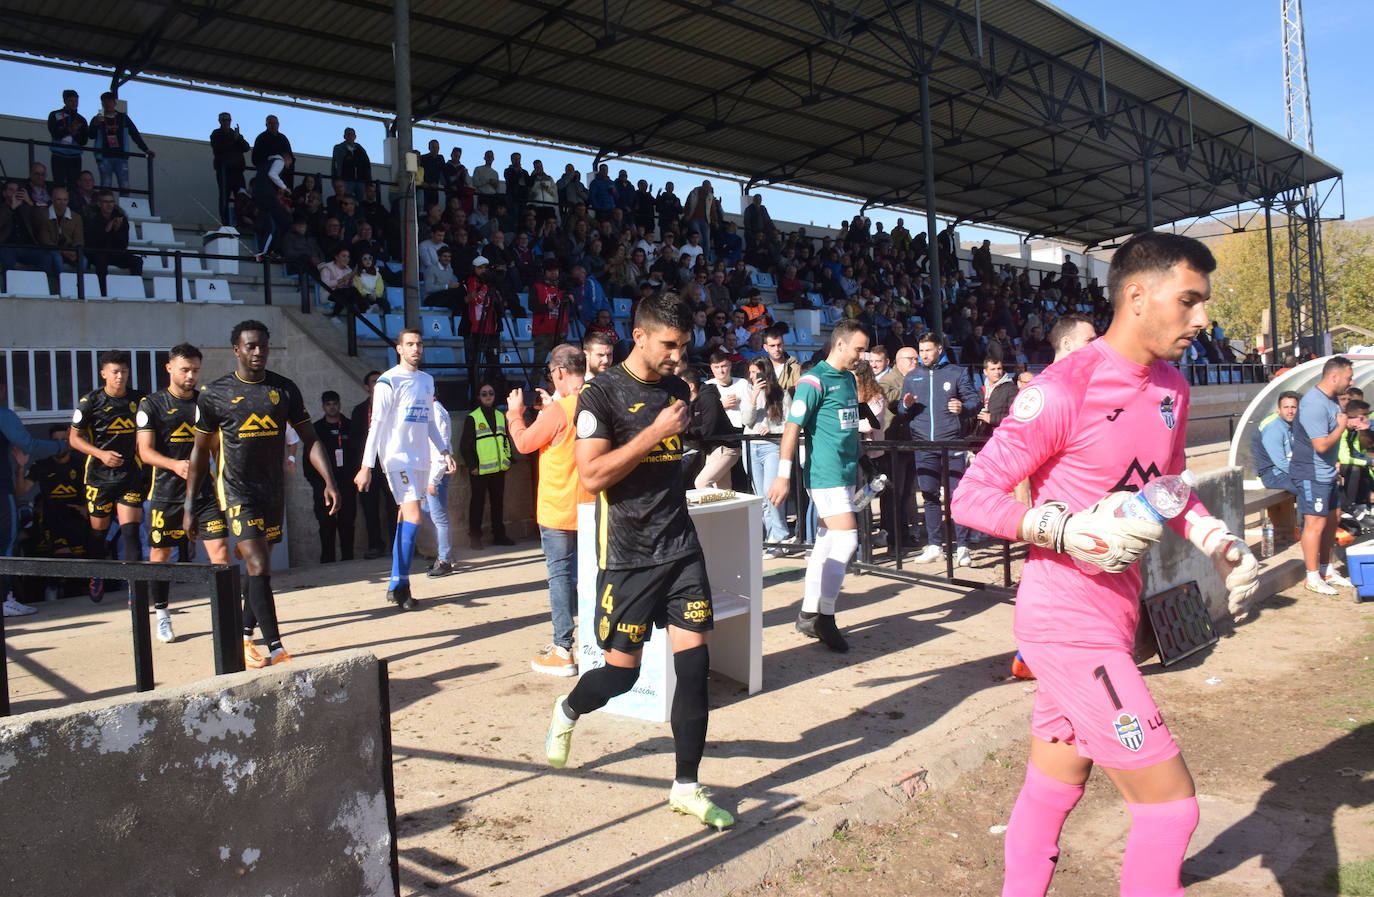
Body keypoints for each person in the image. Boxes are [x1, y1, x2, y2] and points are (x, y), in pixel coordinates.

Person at [950, 231, 1259, 897]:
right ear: (1139, 296)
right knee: (1170, 805)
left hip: (1113, 619)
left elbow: (1167, 486)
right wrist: (1059, 527)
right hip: (1065, 623)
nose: (1203, 319)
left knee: (1054, 783)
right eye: (1191, 301)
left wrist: (1215, 540)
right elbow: (970, 496)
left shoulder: (1172, 385)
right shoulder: (1064, 388)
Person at [543, 292, 734, 831]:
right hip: (628, 558)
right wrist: (654, 435)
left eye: (684, 345)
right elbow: (593, 476)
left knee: (693, 669)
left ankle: (687, 786)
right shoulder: (599, 395)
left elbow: (687, 444)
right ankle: (569, 710)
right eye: (670, 345)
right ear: (641, 337)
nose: (678, 355)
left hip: (680, 548)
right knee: (621, 677)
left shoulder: (678, 388)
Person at [187, 320, 338, 668]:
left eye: (263, 346)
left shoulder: (284, 390)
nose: (258, 352)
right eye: (250, 346)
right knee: (255, 562)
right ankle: (276, 648)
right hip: (237, 492)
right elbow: (198, 452)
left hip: (273, 493)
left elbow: (310, 438)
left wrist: (330, 481)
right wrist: (191, 503)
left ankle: (242, 637)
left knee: (261, 571)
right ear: (236, 350)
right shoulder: (214, 393)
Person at [765, 318, 870, 652]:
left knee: (826, 544)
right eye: (858, 349)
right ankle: (825, 615)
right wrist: (783, 474)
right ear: (840, 344)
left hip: (843, 472)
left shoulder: (849, 380)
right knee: (847, 541)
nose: (861, 356)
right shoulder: (813, 381)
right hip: (825, 475)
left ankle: (809, 611)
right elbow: (792, 428)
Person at [135, 344, 230, 644]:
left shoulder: (206, 402)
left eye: (195, 370)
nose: (190, 376)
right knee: (161, 556)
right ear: (170, 368)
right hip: (166, 493)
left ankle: (225, 615)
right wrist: (175, 464)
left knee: (221, 553)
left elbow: (216, 447)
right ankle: (162, 615)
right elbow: (145, 452)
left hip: (204, 493)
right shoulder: (151, 404)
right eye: (185, 370)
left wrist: (226, 479)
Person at [355, 330, 456, 610]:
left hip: (421, 459)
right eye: (410, 344)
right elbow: (376, 425)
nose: (416, 349)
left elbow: (431, 423)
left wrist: (444, 451)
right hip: (397, 459)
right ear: (399, 349)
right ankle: (403, 585)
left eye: (419, 344)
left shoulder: (426, 380)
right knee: (414, 518)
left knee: (403, 517)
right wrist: (366, 466)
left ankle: (394, 584)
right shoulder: (388, 381)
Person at [507, 344, 590, 675]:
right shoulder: (597, 400)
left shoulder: (558, 411)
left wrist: (514, 413)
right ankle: (594, 644)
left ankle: (562, 648)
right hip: (590, 504)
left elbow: (525, 443)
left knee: (559, 576)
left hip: (558, 507)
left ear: (558, 373)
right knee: (588, 578)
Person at [68, 350, 146, 602]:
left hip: (130, 474)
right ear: (103, 374)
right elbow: (74, 439)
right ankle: (96, 574)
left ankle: (136, 585)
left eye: (124, 371)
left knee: (131, 530)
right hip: (99, 477)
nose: (120, 376)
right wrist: (100, 454)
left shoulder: (138, 399)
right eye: (115, 372)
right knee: (98, 532)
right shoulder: (90, 402)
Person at [902, 333, 981, 566]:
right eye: (921, 350)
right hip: (924, 444)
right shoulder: (913, 376)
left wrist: (963, 407)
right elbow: (902, 409)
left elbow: (974, 402)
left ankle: (963, 546)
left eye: (928, 350)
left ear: (939, 349)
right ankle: (935, 545)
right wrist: (905, 406)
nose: (924, 355)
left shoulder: (956, 372)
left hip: (952, 444)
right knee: (929, 496)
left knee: (957, 497)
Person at [1290, 355, 1356, 596]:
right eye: (1348, 377)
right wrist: (1341, 427)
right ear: (1334, 376)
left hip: (1327, 472)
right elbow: (1320, 445)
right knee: (1315, 523)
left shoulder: (1331, 401)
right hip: (1311, 473)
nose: (1351, 382)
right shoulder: (1314, 403)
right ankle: (1312, 576)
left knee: (1332, 519)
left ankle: (1327, 570)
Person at [1, 384, 65, 616]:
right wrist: (66, 444)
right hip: (1, 491)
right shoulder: (3, 414)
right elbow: (29, 444)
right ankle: (5, 598)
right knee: (6, 545)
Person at [743, 357, 790, 553]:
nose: (754, 377)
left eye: (758, 373)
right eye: (751, 373)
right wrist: (754, 397)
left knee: (772, 495)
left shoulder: (782, 394)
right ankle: (773, 539)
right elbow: (746, 420)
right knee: (760, 497)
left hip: (772, 446)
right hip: (751, 446)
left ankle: (781, 536)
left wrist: (771, 427)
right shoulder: (748, 391)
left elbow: (789, 422)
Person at [459, 381, 514, 549]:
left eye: (491, 393)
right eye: (484, 393)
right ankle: (475, 538)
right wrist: (472, 465)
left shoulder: (500, 415)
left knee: (498, 503)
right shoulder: (473, 417)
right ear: (478, 397)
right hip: (480, 470)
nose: (488, 396)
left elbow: (505, 440)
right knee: (477, 503)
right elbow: (465, 445)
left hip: (498, 468)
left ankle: (499, 535)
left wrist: (508, 459)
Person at [306, 390, 357, 563]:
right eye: (328, 404)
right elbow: (308, 459)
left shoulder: (350, 426)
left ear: (339, 404)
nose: (332, 407)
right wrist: (318, 484)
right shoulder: (317, 429)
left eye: (335, 403)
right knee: (326, 524)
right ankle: (327, 560)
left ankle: (348, 559)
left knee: (347, 523)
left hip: (347, 484)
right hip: (324, 486)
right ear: (323, 406)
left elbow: (358, 455)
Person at [351, 371, 396, 560]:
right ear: (367, 388)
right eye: (373, 383)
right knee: (369, 507)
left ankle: (397, 545)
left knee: (394, 506)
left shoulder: (392, 408)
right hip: (368, 466)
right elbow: (354, 441)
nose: (377, 386)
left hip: (389, 463)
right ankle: (375, 545)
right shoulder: (359, 411)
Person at [88, 92, 153, 193]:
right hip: (104, 156)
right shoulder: (98, 118)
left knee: (125, 185)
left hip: (121, 156)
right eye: (104, 102)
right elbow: (91, 135)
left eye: (110, 101)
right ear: (102, 104)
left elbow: (135, 134)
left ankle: (125, 207)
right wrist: (95, 124)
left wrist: (146, 149)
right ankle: (105, 206)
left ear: (114, 103)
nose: (107, 104)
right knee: (106, 184)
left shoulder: (123, 118)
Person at [424, 398, 456, 578]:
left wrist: (433, 479)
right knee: (427, 511)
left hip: (436, 472)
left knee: (438, 517)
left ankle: (445, 559)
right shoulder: (432, 409)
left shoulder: (435, 410)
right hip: (432, 471)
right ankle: (445, 553)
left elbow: (440, 446)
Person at [1252, 390, 1300, 495]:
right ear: (1279, 410)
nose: (1290, 411)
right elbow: (1281, 463)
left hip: (1286, 473)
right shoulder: (1274, 429)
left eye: (1293, 407)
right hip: (1273, 475)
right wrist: (1303, 474)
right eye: (1286, 407)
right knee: (1309, 490)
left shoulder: (1294, 426)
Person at [210, 112, 250, 224]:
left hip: (238, 170)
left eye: (228, 119)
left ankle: (241, 220)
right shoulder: (216, 134)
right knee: (224, 196)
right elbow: (218, 148)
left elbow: (246, 147)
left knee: (242, 196)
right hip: (224, 170)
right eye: (223, 120)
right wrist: (234, 139)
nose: (226, 122)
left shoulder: (235, 134)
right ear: (219, 121)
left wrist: (238, 138)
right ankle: (225, 222)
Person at [47, 89, 88, 192]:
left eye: (76, 101)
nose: (74, 103)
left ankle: (72, 207)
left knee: (73, 186)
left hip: (75, 157)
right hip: (58, 155)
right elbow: (54, 132)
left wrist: (75, 134)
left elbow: (84, 141)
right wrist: (69, 130)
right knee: (58, 184)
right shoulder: (55, 115)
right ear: (65, 101)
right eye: (71, 101)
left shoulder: (81, 119)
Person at [1338, 399, 1374, 513]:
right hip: (1334, 464)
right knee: (1354, 468)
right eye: (1364, 416)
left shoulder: (1354, 431)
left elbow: (1356, 453)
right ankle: (1348, 507)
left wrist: (1370, 461)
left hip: (1342, 463)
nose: (1367, 419)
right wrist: (1368, 462)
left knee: (1364, 467)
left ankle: (1363, 503)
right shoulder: (1342, 429)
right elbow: (1344, 458)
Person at [331, 128, 371, 201]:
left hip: (360, 181)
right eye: (348, 134)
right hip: (346, 180)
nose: (350, 136)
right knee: (346, 200)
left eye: (352, 134)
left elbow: (367, 165)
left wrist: (368, 181)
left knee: (361, 203)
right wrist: (335, 179)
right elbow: (335, 165)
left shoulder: (360, 149)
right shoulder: (339, 148)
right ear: (344, 136)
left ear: (355, 136)